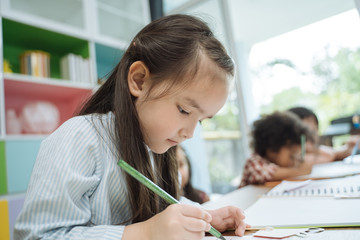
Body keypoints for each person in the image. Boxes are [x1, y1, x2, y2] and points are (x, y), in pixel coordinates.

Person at [14, 14, 248, 239]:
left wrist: (205, 218)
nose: (190, 133)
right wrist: (144, 234)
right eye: (184, 110)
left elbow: (165, 207)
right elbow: (38, 235)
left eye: (200, 120)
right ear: (139, 80)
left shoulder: (156, 146)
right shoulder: (79, 138)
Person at [239, 111, 315, 187]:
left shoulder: (279, 164)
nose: (294, 162)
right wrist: (299, 171)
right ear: (272, 148)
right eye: (291, 156)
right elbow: (264, 174)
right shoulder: (253, 162)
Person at [287, 106, 359, 163]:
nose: (312, 136)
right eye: (306, 132)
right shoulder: (290, 158)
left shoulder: (316, 150)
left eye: (314, 130)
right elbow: (329, 155)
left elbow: (334, 152)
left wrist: (349, 147)